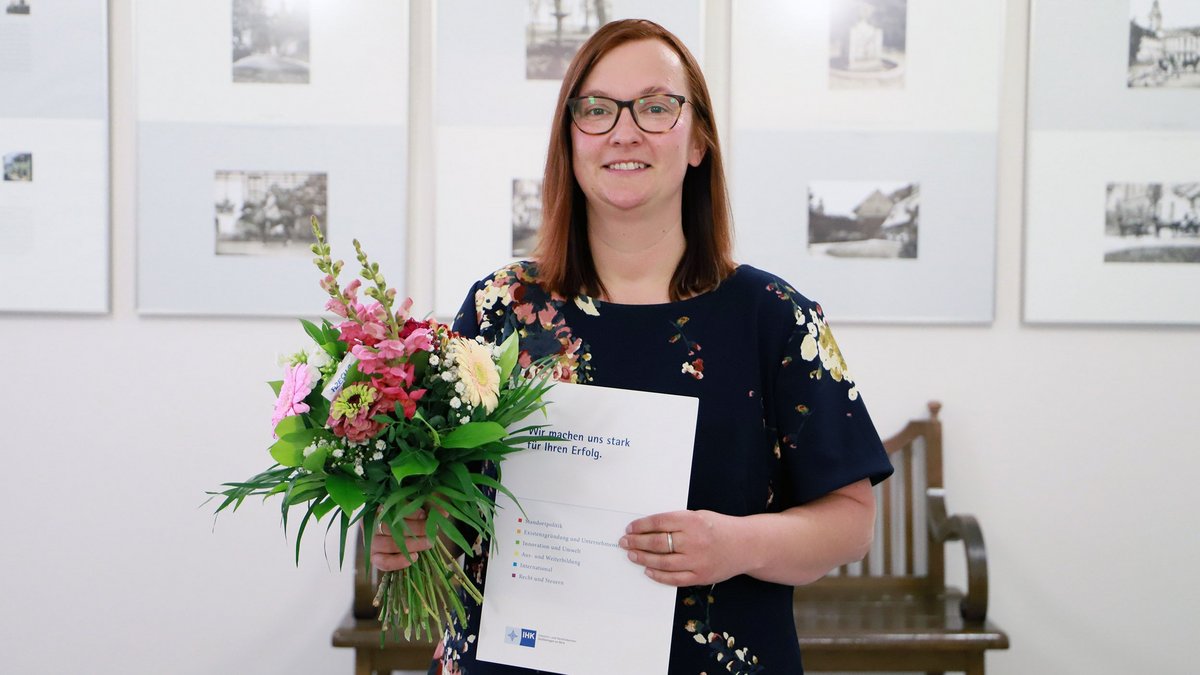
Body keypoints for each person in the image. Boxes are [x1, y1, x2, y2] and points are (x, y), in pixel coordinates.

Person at [372, 19, 894, 674]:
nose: (624, 131)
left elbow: (851, 520)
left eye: (655, 106)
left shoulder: (776, 318)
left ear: (698, 138)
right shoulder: (497, 308)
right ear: (570, 138)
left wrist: (735, 542)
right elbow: (447, 509)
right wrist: (405, 529)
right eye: (596, 109)